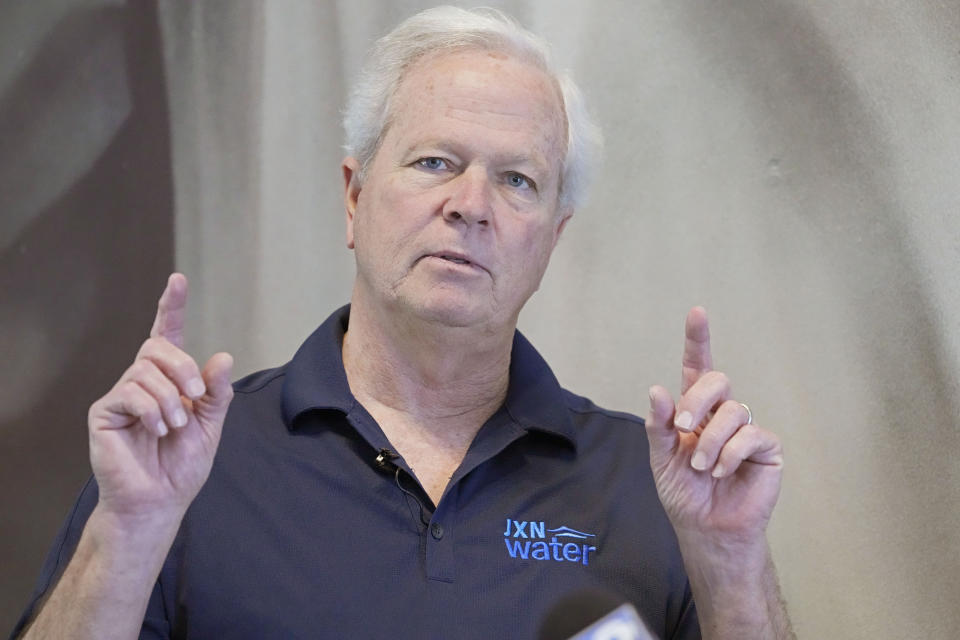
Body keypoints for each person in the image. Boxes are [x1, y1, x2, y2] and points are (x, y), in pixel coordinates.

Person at [13, 7, 793, 639]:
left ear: (551, 240)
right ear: (354, 196)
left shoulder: (653, 486)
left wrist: (729, 560)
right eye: (434, 162)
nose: (470, 204)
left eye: (517, 180)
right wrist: (129, 530)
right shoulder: (190, 462)